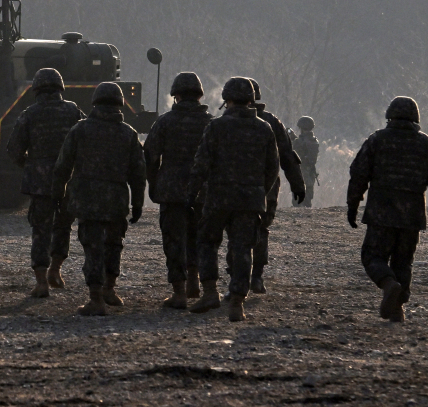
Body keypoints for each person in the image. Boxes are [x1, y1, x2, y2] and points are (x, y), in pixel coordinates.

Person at [347, 96, 428, 323]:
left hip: (381, 211)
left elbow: (359, 174)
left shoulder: (377, 141)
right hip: (412, 214)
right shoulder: (427, 145)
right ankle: (397, 308)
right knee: (403, 261)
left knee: (372, 256)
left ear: (389, 115)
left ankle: (388, 284)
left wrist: (352, 205)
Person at [51, 81, 145, 317]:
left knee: (93, 248)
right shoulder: (129, 134)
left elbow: (63, 165)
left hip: (87, 198)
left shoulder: (80, 130)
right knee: (114, 244)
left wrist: (58, 193)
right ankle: (110, 290)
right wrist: (138, 203)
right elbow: (138, 173)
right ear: (120, 104)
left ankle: (95, 299)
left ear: (95, 102)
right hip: (116, 199)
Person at [189, 76, 279, 322]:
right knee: (242, 250)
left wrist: (192, 192)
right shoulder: (264, 128)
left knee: (207, 242)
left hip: (218, 196)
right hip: (250, 199)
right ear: (251, 100)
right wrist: (259, 190)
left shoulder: (217, 126)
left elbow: (201, 163)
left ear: (226, 99)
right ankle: (237, 303)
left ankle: (209, 292)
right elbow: (273, 168)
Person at [5, 67, 83, 297]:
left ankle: (41, 282)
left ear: (36, 89)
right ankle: (56, 270)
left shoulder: (30, 114)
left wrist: (30, 165)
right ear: (60, 87)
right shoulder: (73, 111)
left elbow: (14, 150)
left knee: (41, 229)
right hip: (68, 178)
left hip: (40, 181)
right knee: (63, 226)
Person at [144, 71, 212, 309]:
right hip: (203, 191)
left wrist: (153, 185)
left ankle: (179, 292)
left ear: (177, 96)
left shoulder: (165, 122)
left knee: (174, 240)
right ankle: (195, 282)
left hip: (171, 190)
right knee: (199, 238)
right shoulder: (210, 123)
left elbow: (150, 157)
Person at [247, 79, 306, 293]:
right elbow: (288, 157)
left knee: (237, 231)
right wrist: (297, 185)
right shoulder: (271, 122)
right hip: (267, 185)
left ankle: (240, 278)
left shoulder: (225, 121)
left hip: (234, 186)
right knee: (261, 229)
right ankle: (256, 276)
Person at [292, 116, 319, 207]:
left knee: (298, 197)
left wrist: (292, 138)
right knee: (308, 195)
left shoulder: (299, 141)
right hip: (310, 171)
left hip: (302, 170)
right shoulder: (314, 140)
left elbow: (295, 152)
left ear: (301, 128)